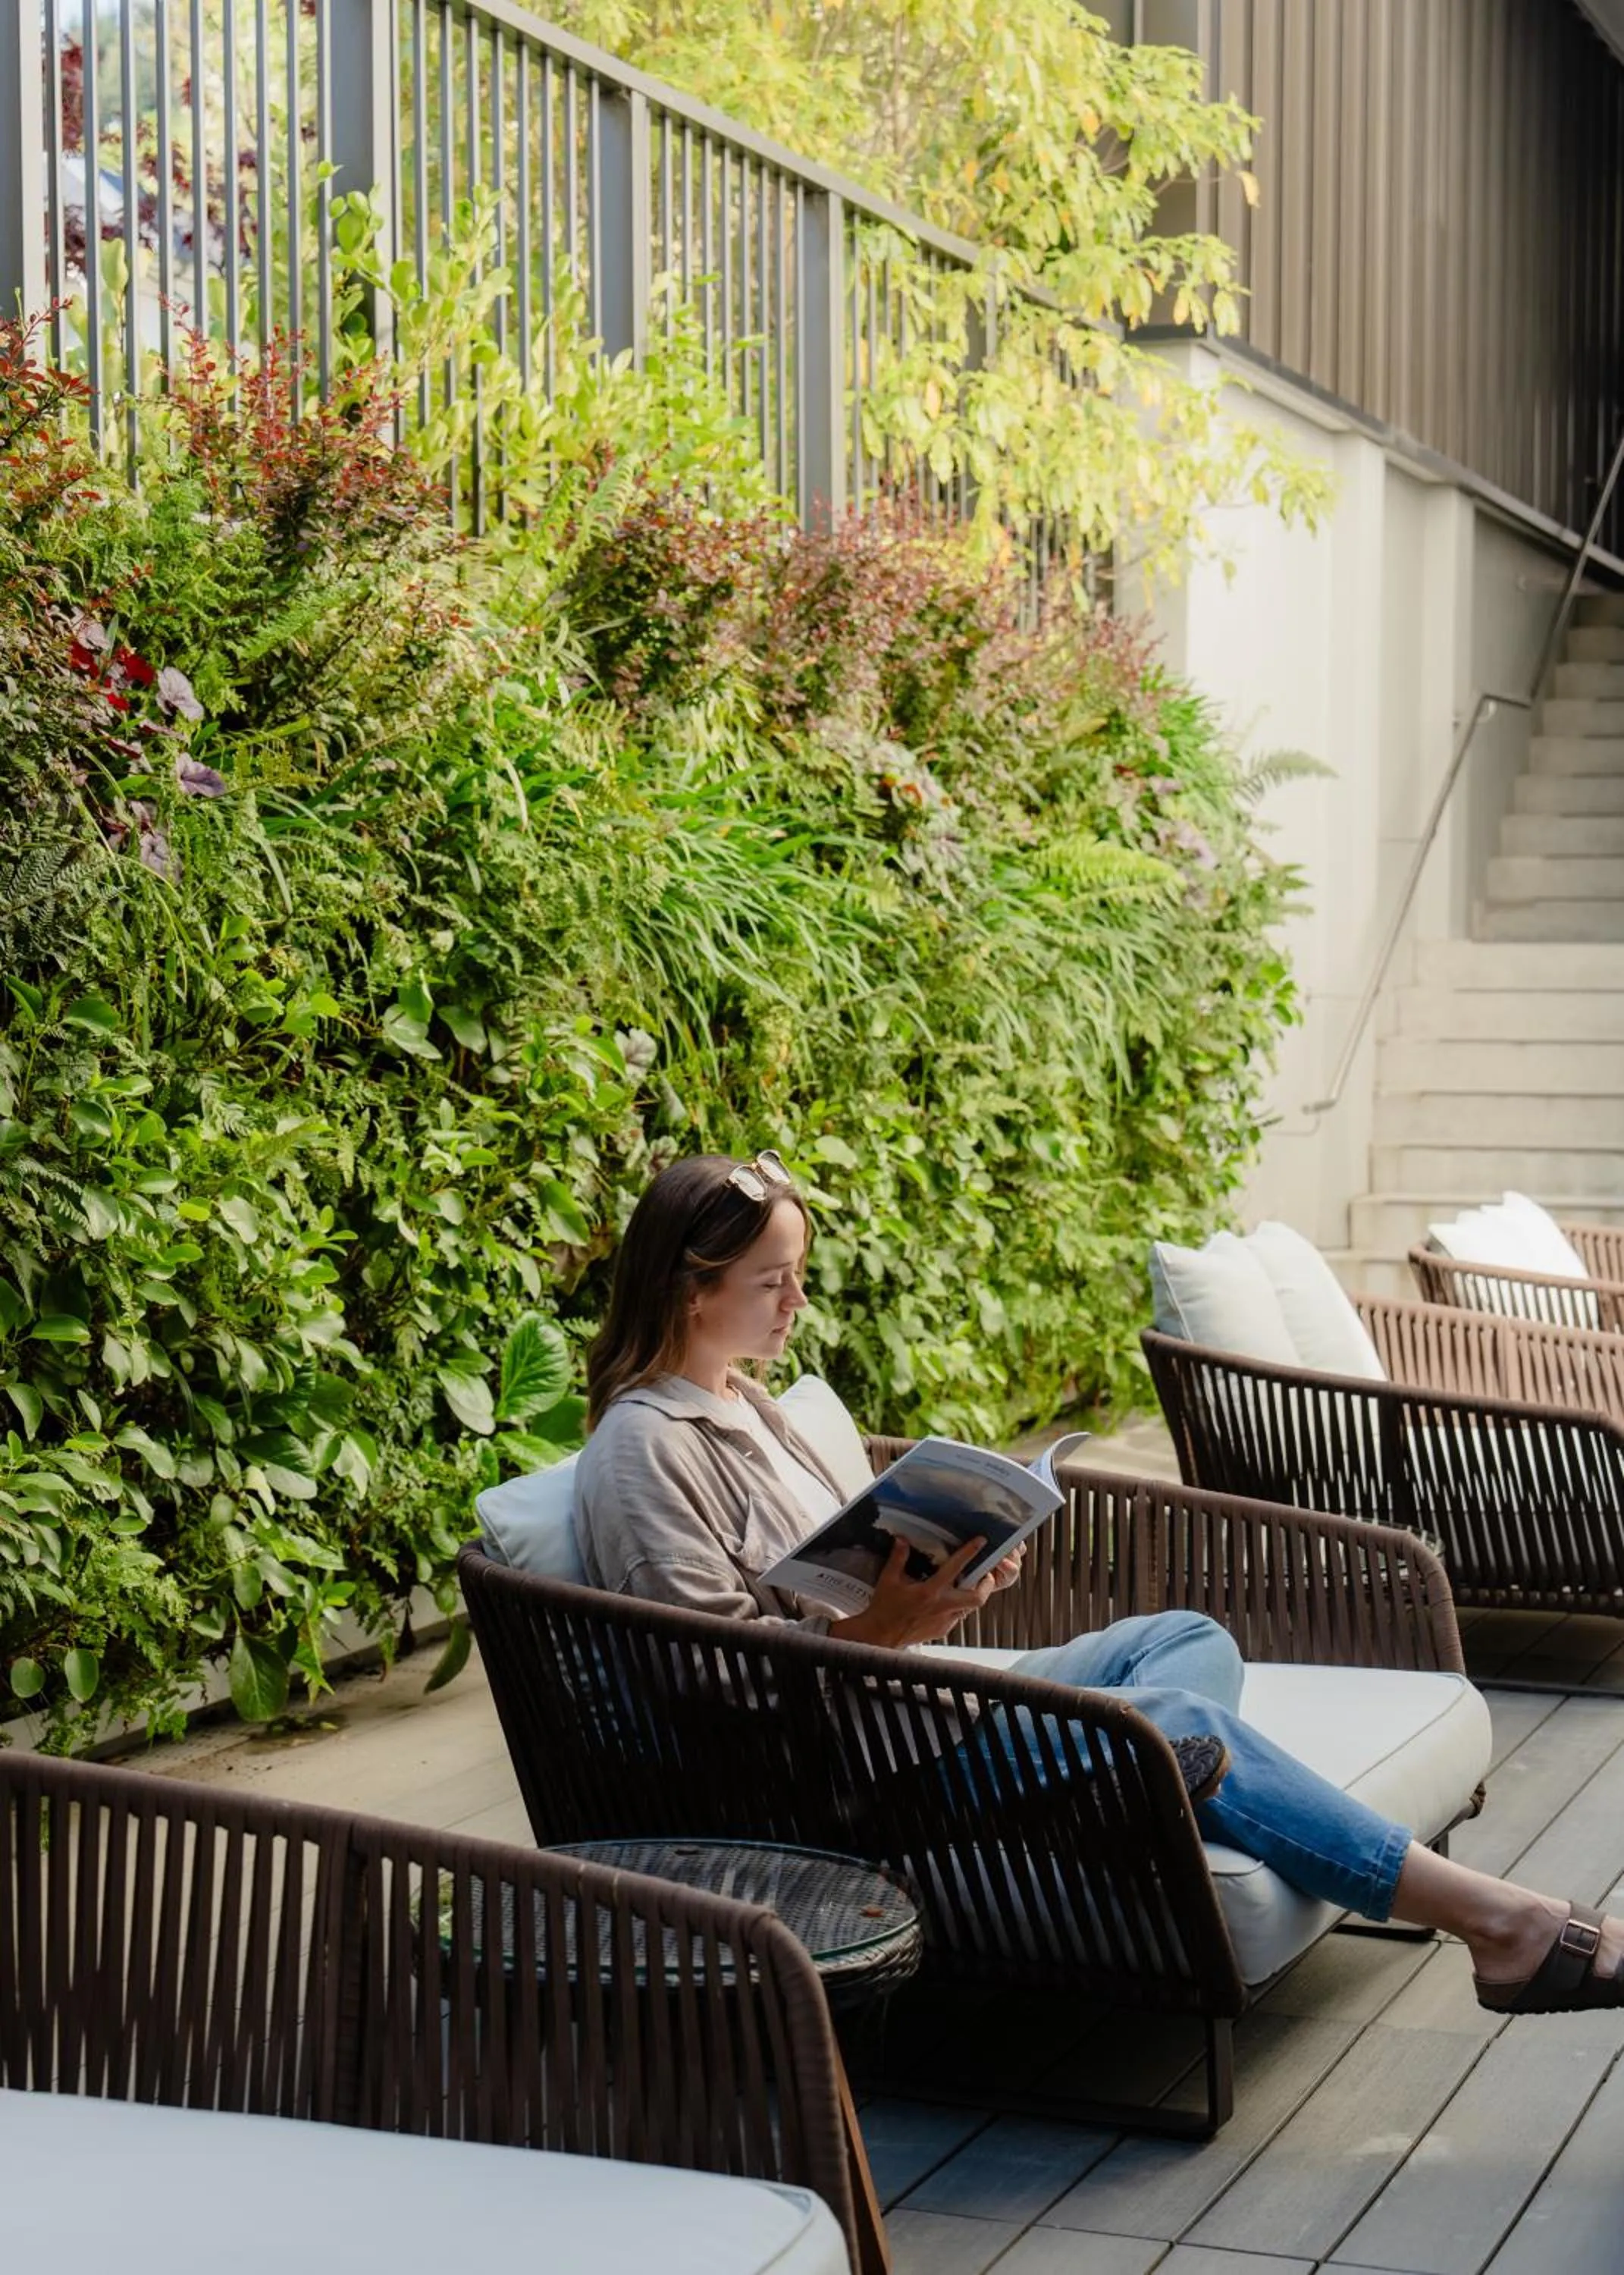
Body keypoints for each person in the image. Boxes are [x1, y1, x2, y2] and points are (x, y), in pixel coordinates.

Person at [573, 1149, 1624, 2016]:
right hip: (844, 1766)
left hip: (905, 1695)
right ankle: (1503, 1926)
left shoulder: (749, 1402)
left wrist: (953, 1577)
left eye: (796, 1273)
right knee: (1161, 1717)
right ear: (688, 1284)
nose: (798, 1300)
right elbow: (706, 1682)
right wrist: (891, 1627)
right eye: (771, 1281)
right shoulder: (644, 1448)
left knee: (1186, 1639)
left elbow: (838, 1579)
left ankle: (1108, 1792)